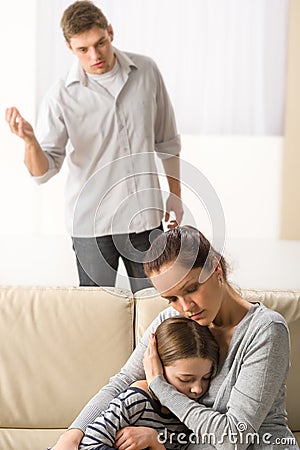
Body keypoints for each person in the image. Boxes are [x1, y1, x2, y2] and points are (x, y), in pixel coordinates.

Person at [50, 225, 298, 450]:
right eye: (172, 298)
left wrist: (160, 386)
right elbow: (123, 381)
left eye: (191, 289)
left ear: (216, 268)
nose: (186, 306)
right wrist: (71, 435)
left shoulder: (265, 330)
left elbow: (233, 438)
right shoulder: (174, 320)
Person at [5, 0, 183, 293]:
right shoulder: (60, 96)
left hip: (146, 219)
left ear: (110, 32)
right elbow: (42, 171)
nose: (95, 55)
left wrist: (175, 195)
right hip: (92, 227)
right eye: (83, 49)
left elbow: (167, 140)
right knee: (99, 316)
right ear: (69, 48)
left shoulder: (146, 71)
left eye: (100, 43)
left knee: (155, 306)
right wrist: (30, 141)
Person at [78, 316, 219, 450]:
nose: (198, 389)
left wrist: (155, 442)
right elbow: (90, 444)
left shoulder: (189, 414)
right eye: (185, 379)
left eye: (206, 377)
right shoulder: (135, 402)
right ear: (157, 368)